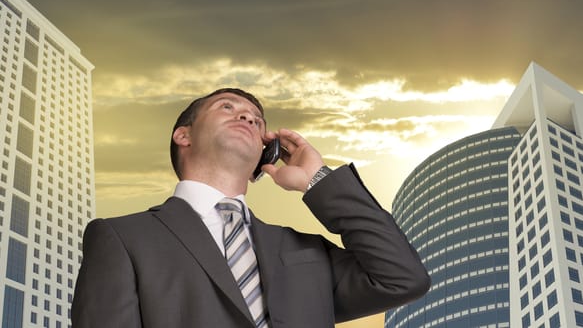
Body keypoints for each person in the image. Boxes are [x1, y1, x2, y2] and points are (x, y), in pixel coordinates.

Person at [71, 88, 430, 328]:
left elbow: (402, 278)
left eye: (257, 121)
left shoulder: (304, 251)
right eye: (228, 108)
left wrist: (315, 179)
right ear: (184, 135)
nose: (247, 118)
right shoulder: (123, 237)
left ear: (265, 152)